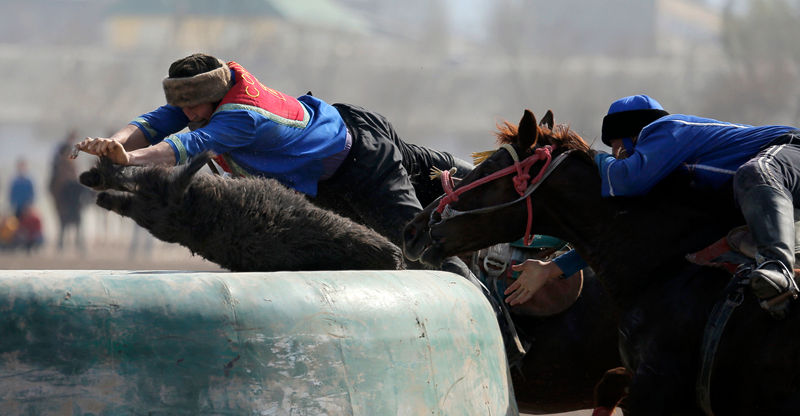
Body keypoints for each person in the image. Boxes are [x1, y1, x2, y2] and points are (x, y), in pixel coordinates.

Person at [72, 53, 473, 271]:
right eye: (183, 106)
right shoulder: (201, 102)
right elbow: (156, 122)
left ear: (212, 95)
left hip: (363, 164)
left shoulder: (241, 115)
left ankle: (489, 313)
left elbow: (187, 146)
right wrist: (116, 142)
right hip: (339, 143)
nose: (188, 113)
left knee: (424, 249)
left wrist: (128, 159)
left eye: (193, 105)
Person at [506, 95, 800, 312]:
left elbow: (624, 180)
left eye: (616, 145)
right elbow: (622, 229)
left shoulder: (666, 129)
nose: (615, 154)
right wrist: (551, 268)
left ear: (633, 133)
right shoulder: (660, 176)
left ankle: (778, 268)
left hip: (789, 151)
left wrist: (590, 155)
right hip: (769, 197)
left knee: (755, 172)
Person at [50, 128, 89, 253]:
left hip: (73, 194)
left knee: (77, 221)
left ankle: (78, 244)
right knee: (63, 221)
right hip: (65, 194)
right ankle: (61, 244)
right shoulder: (61, 157)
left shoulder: (75, 154)